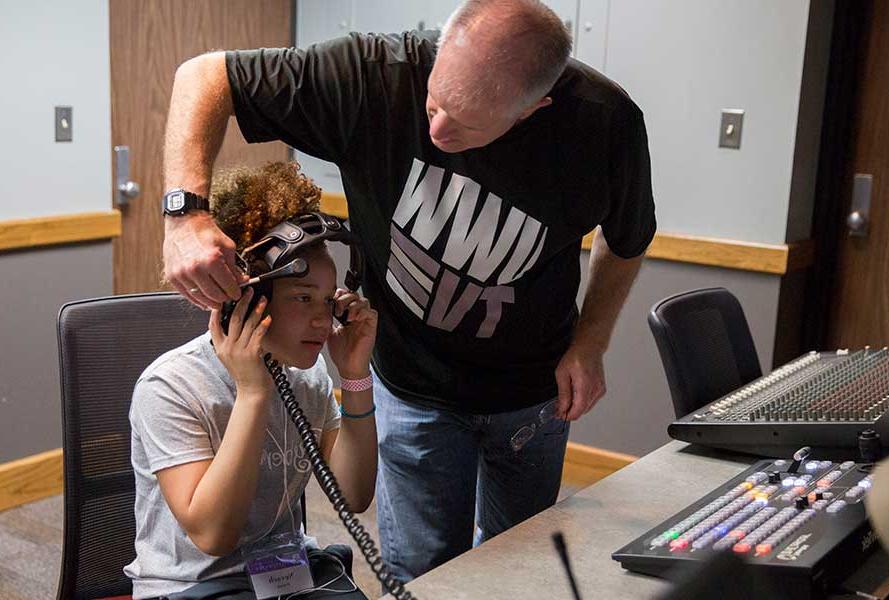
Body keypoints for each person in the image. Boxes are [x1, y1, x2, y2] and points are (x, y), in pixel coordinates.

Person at [161, 0, 655, 583]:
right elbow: (204, 74)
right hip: (413, 381)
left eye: (467, 124)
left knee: (521, 575)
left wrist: (591, 340)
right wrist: (185, 214)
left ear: (534, 109)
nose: (438, 130)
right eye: (435, 102)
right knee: (422, 573)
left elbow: (626, 239)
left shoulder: (605, 125)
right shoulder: (376, 74)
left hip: (531, 390)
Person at [126, 162, 378, 599]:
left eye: (326, 299)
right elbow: (214, 535)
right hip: (191, 587)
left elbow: (353, 495)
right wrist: (253, 391)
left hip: (284, 577)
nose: (323, 319)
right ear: (246, 299)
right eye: (302, 298)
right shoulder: (169, 388)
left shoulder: (308, 374)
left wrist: (355, 374)